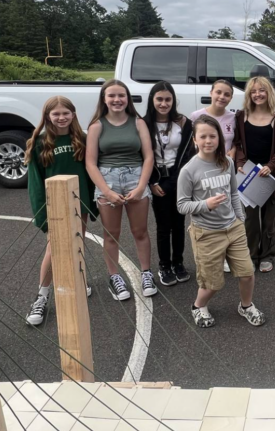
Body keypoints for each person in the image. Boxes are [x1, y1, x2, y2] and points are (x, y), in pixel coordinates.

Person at [177, 116, 265, 328]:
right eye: (203, 136)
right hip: (206, 233)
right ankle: (199, 306)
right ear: (195, 140)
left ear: (219, 138)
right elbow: (182, 206)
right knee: (212, 284)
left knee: (247, 273)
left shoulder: (227, 162)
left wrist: (240, 218)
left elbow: (234, 193)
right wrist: (206, 204)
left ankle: (245, 306)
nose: (208, 140)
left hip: (233, 228)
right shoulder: (188, 170)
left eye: (213, 136)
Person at [24, 96, 98, 325]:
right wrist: (41, 214)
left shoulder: (82, 139)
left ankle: (77, 280)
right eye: (56, 114)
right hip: (54, 205)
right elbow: (35, 182)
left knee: (77, 242)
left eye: (66, 113)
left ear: (73, 114)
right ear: (47, 117)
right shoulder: (39, 142)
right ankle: (42, 296)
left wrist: (93, 204)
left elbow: (90, 174)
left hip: (79, 203)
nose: (61, 117)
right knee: (54, 249)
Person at [85, 79, 158, 299]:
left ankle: (146, 273)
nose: (117, 100)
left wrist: (141, 186)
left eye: (121, 95)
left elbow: (148, 156)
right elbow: (90, 162)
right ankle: (114, 277)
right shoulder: (97, 125)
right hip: (108, 180)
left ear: (127, 98)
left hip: (135, 178)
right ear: (104, 99)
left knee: (140, 231)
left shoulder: (138, 123)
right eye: (112, 96)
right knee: (111, 234)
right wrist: (106, 191)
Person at [231, 76, 275, 273]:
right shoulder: (241, 117)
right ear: (249, 94)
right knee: (249, 220)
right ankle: (251, 254)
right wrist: (239, 162)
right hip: (248, 176)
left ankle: (266, 255)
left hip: (269, 177)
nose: (258, 94)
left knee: (269, 220)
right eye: (254, 91)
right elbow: (237, 144)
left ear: (269, 93)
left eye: (262, 90)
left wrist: (271, 166)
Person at [144, 82, 194, 287]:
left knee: (179, 224)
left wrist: (175, 181)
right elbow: (143, 156)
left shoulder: (183, 122)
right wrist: (152, 182)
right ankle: (164, 265)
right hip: (156, 180)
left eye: (167, 99)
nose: (163, 104)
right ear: (152, 100)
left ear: (173, 100)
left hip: (179, 177)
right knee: (163, 226)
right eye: (159, 99)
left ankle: (178, 262)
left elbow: (187, 154)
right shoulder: (144, 123)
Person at [190, 79, 237, 272]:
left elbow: (236, 143)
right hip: (203, 173)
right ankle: (206, 255)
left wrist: (232, 153)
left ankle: (225, 255)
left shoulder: (233, 117)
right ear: (211, 93)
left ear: (231, 98)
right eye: (218, 92)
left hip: (224, 172)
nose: (222, 97)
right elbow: (192, 144)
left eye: (226, 94)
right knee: (205, 214)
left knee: (225, 213)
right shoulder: (196, 116)